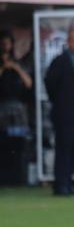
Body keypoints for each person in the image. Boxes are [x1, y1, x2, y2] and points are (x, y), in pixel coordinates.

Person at [44, 27, 74, 197]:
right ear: (68, 42)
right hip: (65, 112)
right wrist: (60, 101)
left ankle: (69, 182)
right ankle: (60, 184)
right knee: (63, 148)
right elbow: (50, 83)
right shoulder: (60, 61)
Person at [0, 30, 33, 185]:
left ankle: (19, 177)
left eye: (8, 43)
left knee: (19, 144)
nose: (5, 46)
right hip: (2, 107)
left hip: (18, 109)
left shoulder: (18, 63)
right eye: (3, 43)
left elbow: (28, 83)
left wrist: (14, 67)